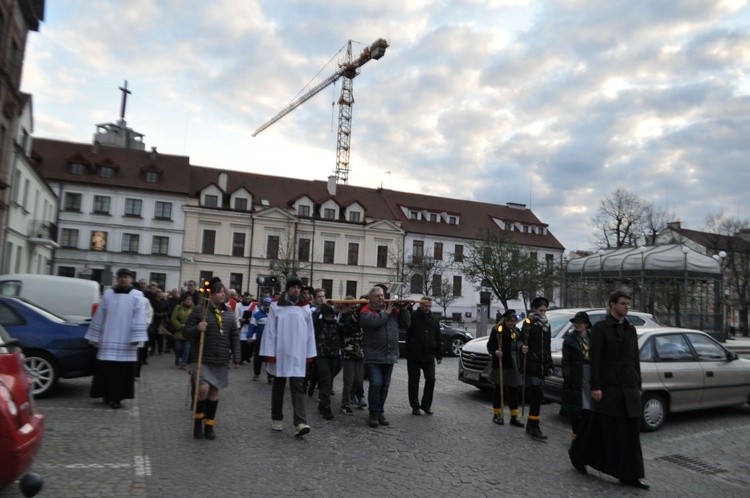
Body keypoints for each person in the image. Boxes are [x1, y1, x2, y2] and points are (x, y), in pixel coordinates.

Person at [569, 291, 649, 490]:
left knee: (630, 433)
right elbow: (595, 359)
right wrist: (595, 386)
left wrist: (637, 383)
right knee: (600, 429)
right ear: (612, 305)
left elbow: (634, 360)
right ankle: (578, 456)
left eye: (628, 304)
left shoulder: (630, 329)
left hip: (628, 388)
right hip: (609, 388)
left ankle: (631, 475)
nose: (626, 307)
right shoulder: (600, 329)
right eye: (622, 303)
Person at [183, 277, 240, 440]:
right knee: (202, 389)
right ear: (212, 294)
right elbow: (186, 332)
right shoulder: (200, 310)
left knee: (214, 392)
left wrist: (237, 357)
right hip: (201, 357)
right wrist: (197, 328)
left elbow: (234, 336)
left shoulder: (228, 313)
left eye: (224, 292)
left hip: (220, 358)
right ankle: (197, 422)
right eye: (219, 292)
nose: (223, 295)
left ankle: (209, 425)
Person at [260, 276, 317, 437]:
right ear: (288, 289)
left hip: (297, 354)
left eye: (299, 288)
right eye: (293, 288)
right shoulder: (276, 306)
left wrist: (309, 354)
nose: (296, 290)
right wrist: (270, 354)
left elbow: (310, 334)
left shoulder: (305, 308)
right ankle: (276, 418)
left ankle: (300, 422)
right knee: (278, 386)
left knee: (297, 387)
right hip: (281, 352)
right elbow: (270, 331)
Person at [85, 268, 148, 409]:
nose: (123, 279)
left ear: (130, 279)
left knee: (121, 372)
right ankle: (105, 395)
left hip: (126, 340)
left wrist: (136, 337)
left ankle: (117, 398)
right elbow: (99, 316)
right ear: (117, 278)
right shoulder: (108, 295)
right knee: (106, 370)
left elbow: (140, 317)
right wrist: (95, 337)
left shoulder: (137, 295)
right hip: (108, 338)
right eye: (121, 277)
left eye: (126, 277)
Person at [360, 287, 411, 427]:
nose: (380, 298)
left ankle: (380, 411)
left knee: (384, 386)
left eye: (382, 295)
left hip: (389, 354)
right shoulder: (366, 311)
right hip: (373, 355)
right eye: (377, 296)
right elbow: (373, 323)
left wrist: (405, 310)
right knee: (376, 384)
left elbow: (406, 324)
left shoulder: (393, 310)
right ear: (370, 298)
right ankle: (373, 413)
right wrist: (386, 313)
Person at [520, 296, 552, 440]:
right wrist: (522, 347)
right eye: (541, 310)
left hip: (542, 364)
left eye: (545, 310)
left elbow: (547, 346)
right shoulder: (529, 323)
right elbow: (519, 340)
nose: (543, 313)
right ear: (534, 309)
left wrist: (549, 364)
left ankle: (531, 424)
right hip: (532, 363)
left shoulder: (546, 325)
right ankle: (534, 426)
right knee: (537, 393)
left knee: (538, 396)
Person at [487, 309, 524, 427]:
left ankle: (514, 416)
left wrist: (522, 346)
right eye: (510, 321)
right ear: (505, 321)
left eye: (514, 321)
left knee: (514, 390)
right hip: (501, 363)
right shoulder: (497, 330)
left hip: (514, 363)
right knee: (499, 390)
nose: (512, 323)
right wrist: (495, 351)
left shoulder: (517, 331)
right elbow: (490, 344)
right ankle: (497, 414)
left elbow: (519, 342)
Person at [405, 296, 441, 416]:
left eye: (429, 306)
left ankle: (426, 405)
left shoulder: (434, 319)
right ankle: (415, 406)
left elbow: (438, 337)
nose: (427, 308)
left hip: (429, 355)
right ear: (420, 305)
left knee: (431, 379)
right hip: (414, 355)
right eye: (426, 305)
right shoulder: (413, 316)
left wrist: (439, 354)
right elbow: (407, 330)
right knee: (414, 382)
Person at [560, 311, 592, 441]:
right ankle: (576, 438)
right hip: (576, 375)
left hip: (590, 374)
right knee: (577, 409)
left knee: (589, 408)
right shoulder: (570, 339)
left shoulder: (592, 338)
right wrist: (567, 375)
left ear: (586, 324)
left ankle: (586, 438)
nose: (577, 325)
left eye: (580, 322)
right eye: (576, 323)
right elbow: (565, 360)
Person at [338, 298, 366, 414]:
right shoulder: (345, 318)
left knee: (359, 380)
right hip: (349, 353)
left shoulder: (360, 318)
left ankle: (354, 396)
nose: (354, 310)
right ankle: (344, 404)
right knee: (348, 381)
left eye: (356, 307)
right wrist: (359, 309)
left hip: (360, 353)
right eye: (352, 307)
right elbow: (348, 325)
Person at [313, 303, 341, 420]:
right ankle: (326, 406)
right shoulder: (319, 324)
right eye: (328, 316)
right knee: (326, 381)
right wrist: (320, 308)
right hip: (322, 356)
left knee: (329, 380)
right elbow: (313, 318)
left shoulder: (336, 325)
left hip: (334, 356)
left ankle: (322, 403)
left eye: (332, 316)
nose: (330, 318)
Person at [247, 297, 271, 381]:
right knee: (258, 358)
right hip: (260, 340)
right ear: (262, 305)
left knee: (270, 359)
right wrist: (249, 336)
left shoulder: (274, 315)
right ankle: (256, 373)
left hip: (270, 341)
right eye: (266, 305)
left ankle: (270, 375)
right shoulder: (257, 314)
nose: (267, 307)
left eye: (269, 305)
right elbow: (252, 326)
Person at [170, 294, 195, 370]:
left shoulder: (194, 309)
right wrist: (179, 326)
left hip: (188, 331)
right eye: (187, 299)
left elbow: (195, 319)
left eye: (190, 299)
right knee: (178, 348)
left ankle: (184, 362)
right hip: (179, 331)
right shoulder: (178, 307)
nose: (188, 301)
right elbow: (173, 318)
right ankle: (177, 356)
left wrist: (191, 327)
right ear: (184, 300)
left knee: (187, 348)